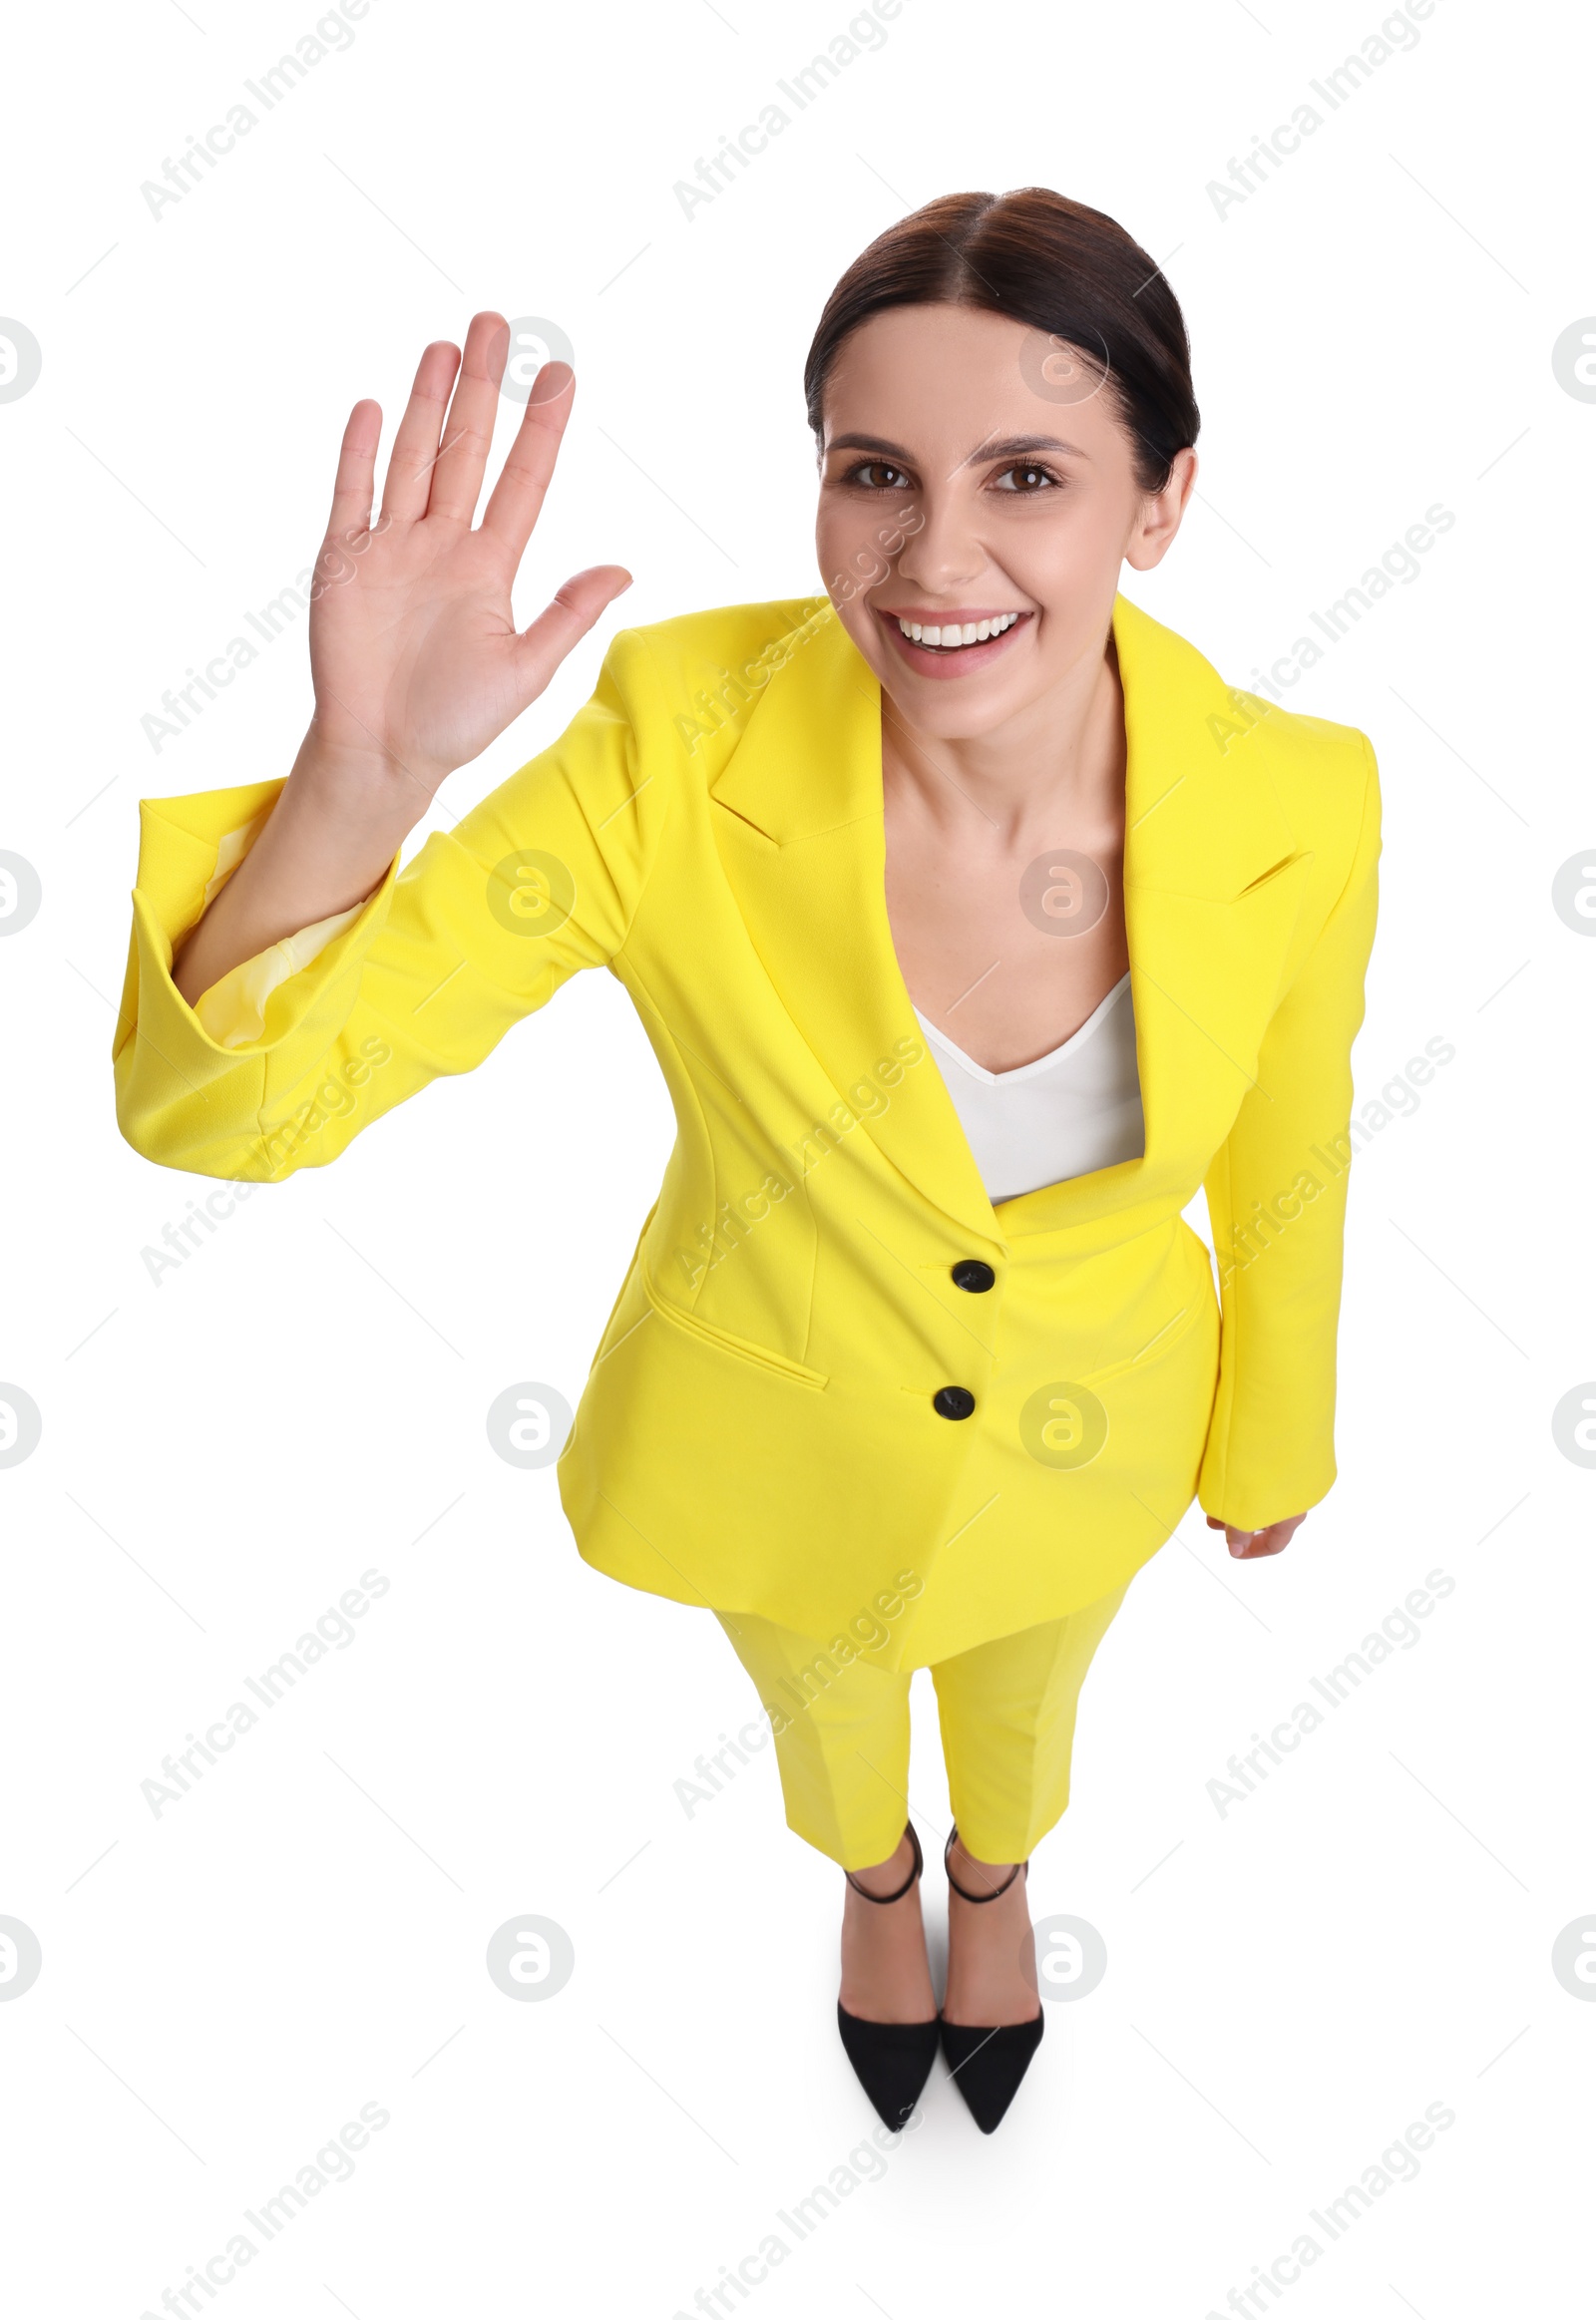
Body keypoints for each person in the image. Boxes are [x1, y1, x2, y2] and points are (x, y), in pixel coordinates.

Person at [114, 188, 1380, 2135]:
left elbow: (1298, 1133)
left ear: (1158, 499)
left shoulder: (1300, 794)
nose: (932, 557)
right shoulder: (670, 743)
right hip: (767, 1417)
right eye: (872, 472)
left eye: (1023, 475)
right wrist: (361, 779)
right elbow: (235, 1114)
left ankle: (994, 1870)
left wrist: (1271, 1435)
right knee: (825, 1696)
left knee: (1028, 1687)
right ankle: (877, 1876)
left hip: (1100, 1421)